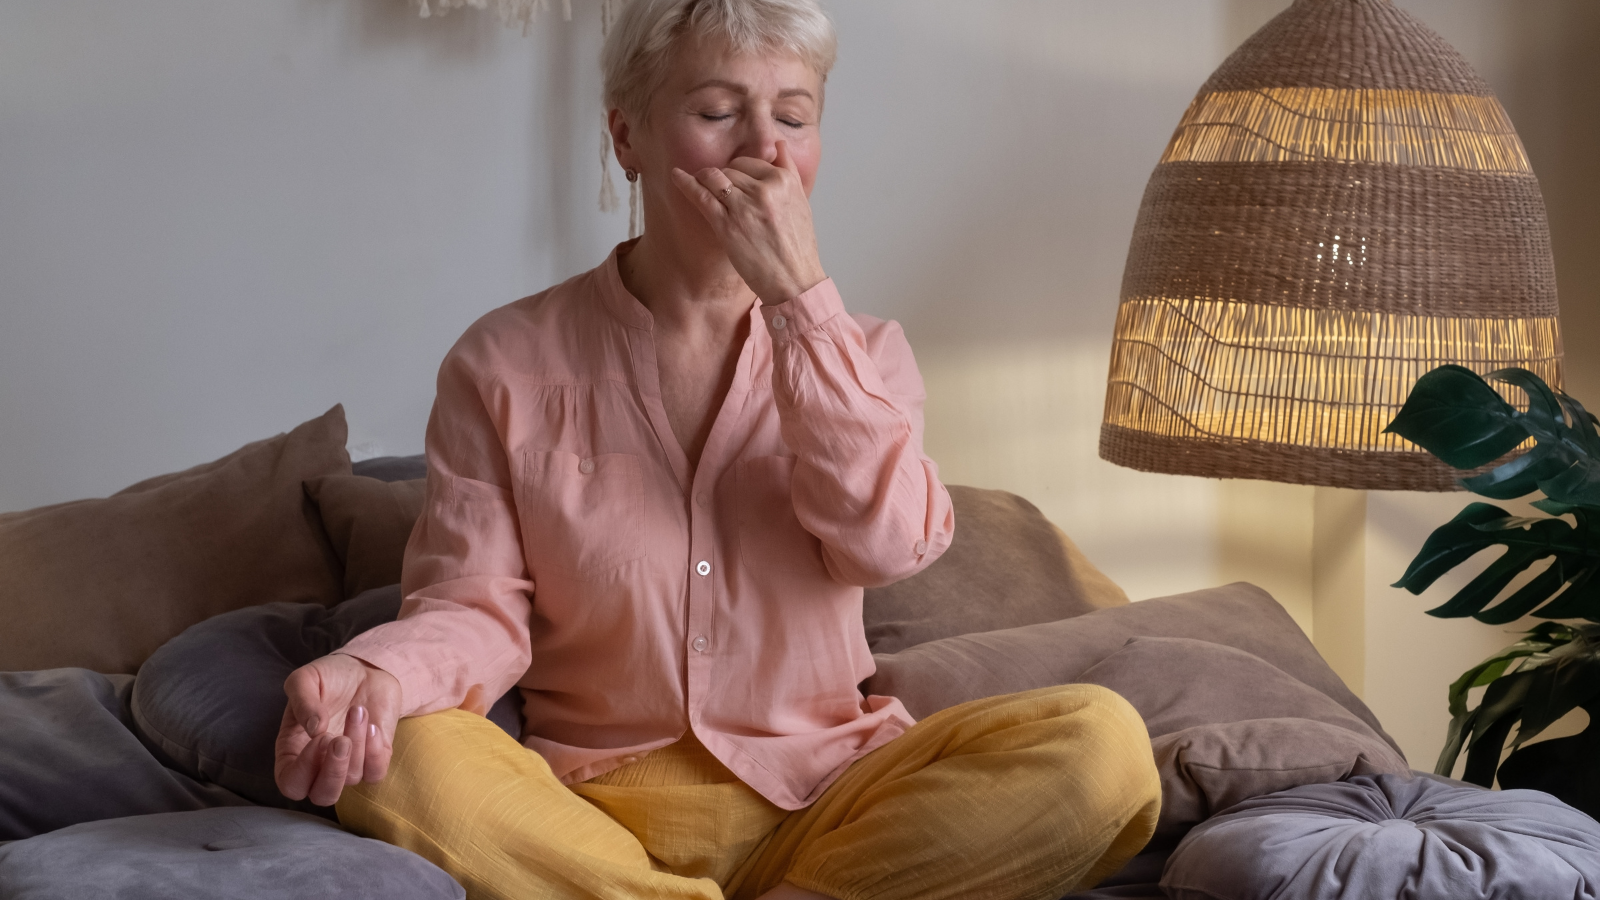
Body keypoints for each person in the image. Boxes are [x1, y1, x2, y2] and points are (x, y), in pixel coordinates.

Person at [273, 1, 1160, 898]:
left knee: (1103, 747)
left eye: (793, 116)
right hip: (589, 813)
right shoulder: (501, 362)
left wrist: (800, 301)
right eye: (716, 112)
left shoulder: (869, 354)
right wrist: (374, 671)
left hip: (832, 800)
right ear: (628, 135)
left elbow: (889, 546)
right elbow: (476, 610)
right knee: (402, 753)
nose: (763, 150)